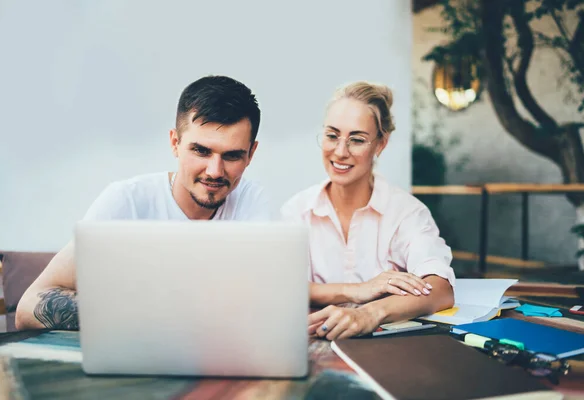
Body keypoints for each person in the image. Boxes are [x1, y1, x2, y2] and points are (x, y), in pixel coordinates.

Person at [16, 75, 269, 330]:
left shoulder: (251, 202)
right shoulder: (126, 201)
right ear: (175, 143)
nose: (214, 171)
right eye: (201, 151)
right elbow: (27, 309)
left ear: (251, 154)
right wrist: (141, 314)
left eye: (232, 155)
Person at [281, 81, 455, 340]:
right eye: (332, 136)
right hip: (313, 344)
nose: (340, 152)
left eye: (357, 140)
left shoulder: (406, 213)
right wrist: (357, 290)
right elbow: (284, 288)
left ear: (380, 144)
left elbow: (440, 288)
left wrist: (369, 313)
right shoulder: (297, 211)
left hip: (388, 349)